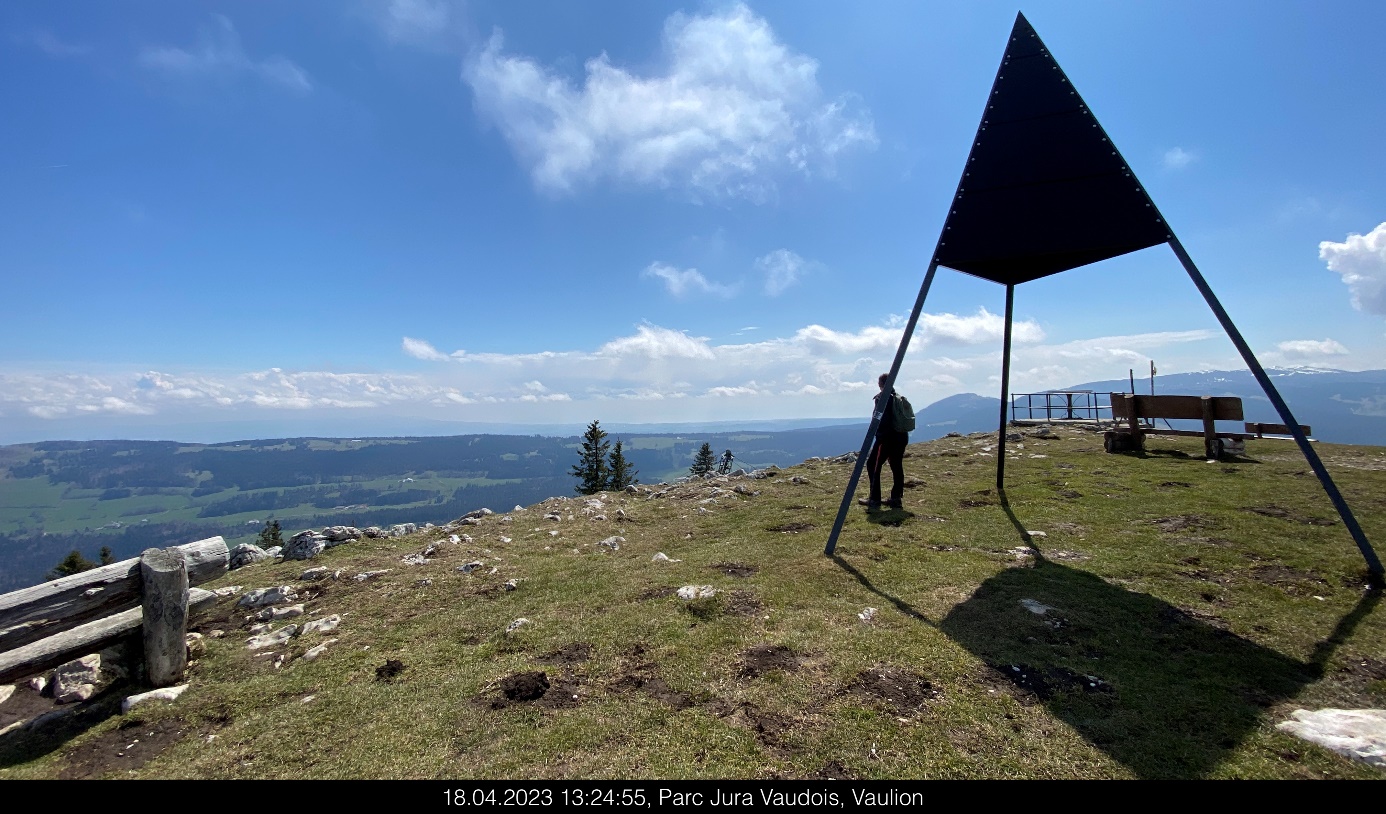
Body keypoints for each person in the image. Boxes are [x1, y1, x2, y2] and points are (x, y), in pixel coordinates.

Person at [866, 373, 908, 510]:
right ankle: (896, 499)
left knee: (873, 465)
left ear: (880, 384)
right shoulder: (897, 398)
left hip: (886, 438)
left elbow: (881, 420)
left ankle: (874, 499)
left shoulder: (882, 399)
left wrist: (878, 436)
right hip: (901, 437)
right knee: (896, 465)